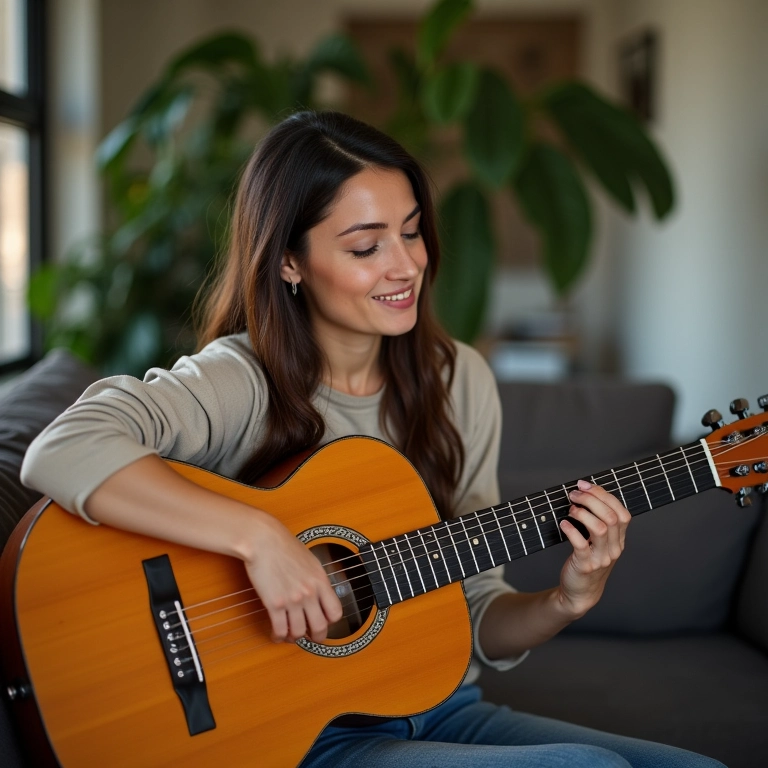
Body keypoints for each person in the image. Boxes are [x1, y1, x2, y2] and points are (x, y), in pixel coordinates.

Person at [21, 111, 724, 768]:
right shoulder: (241, 380)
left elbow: (476, 610)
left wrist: (566, 600)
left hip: (440, 707)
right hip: (301, 736)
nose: (406, 265)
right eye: (365, 246)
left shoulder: (460, 381)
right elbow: (64, 445)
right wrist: (261, 540)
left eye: (412, 231)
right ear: (289, 263)